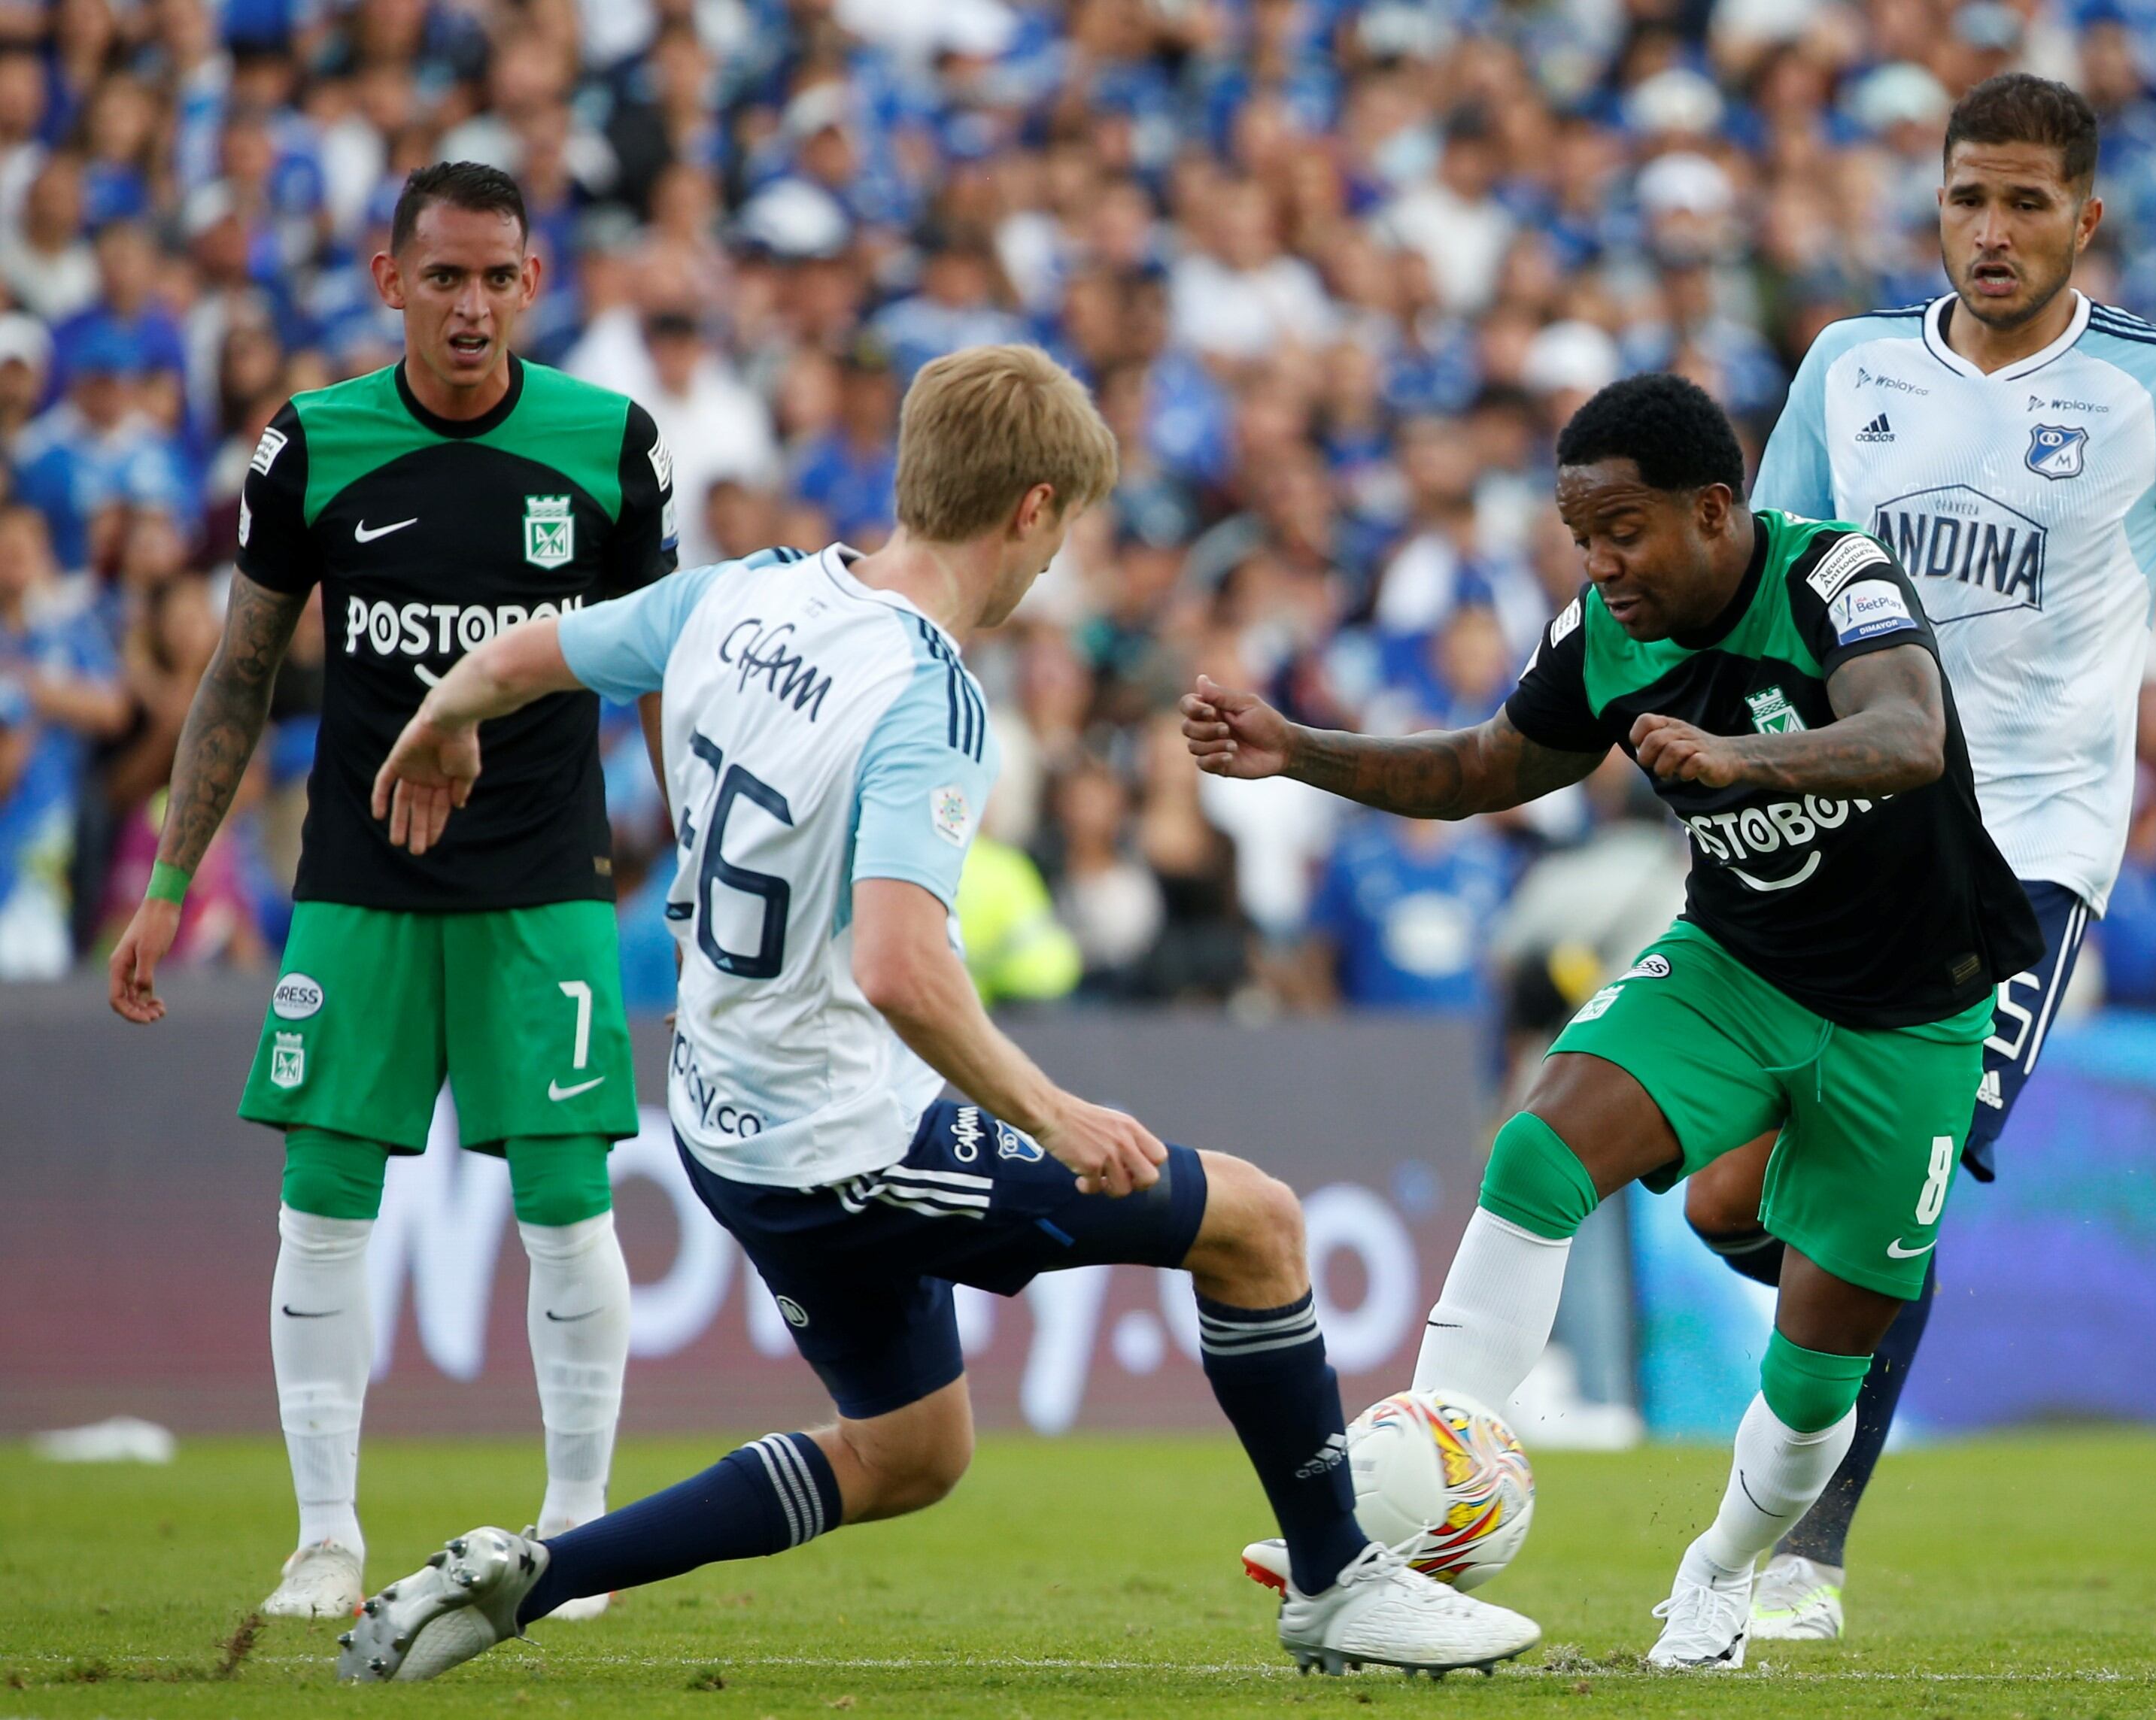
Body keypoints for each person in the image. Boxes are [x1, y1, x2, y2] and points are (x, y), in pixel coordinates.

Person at [337, 344, 1541, 1684]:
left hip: (727, 1120)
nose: (1053, 560)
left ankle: (530, 1580)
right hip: (850, 1134)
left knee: (913, 1453)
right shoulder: (925, 693)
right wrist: (1057, 1113)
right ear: (1031, 509)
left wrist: (442, 719)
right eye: (1064, 526)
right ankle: (1335, 1585)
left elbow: (522, 654)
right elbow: (903, 966)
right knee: (1257, 1227)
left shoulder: (747, 594)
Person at [1187, 372, 2045, 1670]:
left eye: (1622, 532)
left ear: (1713, 511)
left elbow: (1909, 732)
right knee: (1538, 1149)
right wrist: (1295, 747)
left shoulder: (1832, 579)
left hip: (1914, 1013)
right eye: (1581, 537)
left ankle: (1718, 1572)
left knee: (1817, 1388)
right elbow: (1483, 768)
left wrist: (1746, 760)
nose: (1599, 564)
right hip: (1736, 966)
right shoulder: (1601, 630)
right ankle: (1412, 1505)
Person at [1697, 73, 2156, 1640]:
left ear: (2085, 217)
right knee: (1730, 1200)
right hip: (1841, 826)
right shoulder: (1850, 367)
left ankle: (1807, 1553)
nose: (1989, 233)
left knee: (1889, 1175)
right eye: (1964, 199)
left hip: (2023, 855)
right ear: (1934, 204)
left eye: (2021, 202)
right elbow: (1765, 581)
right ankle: (1858, 1311)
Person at [105, 162, 678, 1622]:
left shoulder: (611, 448)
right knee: (321, 1200)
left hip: (545, 876)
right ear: (388, 278)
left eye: (497, 277)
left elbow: (664, 666)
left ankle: (574, 1536)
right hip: (358, 879)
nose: (471, 306)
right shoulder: (313, 443)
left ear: (533, 286)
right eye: (444, 278)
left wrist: (688, 863)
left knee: (566, 1202)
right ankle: (323, 1540)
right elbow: (240, 668)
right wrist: (172, 879)